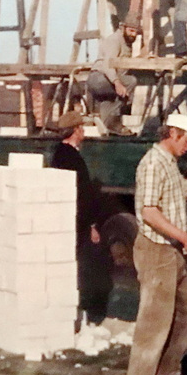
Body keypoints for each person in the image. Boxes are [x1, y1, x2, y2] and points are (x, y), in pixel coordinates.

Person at [125, 113, 187, 375]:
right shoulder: (152, 164)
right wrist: (186, 238)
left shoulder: (170, 164)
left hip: (173, 250)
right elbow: (149, 212)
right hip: (155, 248)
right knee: (154, 319)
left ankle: (166, 373)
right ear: (173, 133)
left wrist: (182, 241)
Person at [49, 110, 113, 325]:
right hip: (77, 222)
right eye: (82, 127)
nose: (84, 131)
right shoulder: (73, 158)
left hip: (66, 219)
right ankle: (84, 311)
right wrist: (92, 225)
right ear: (76, 130)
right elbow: (82, 195)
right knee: (84, 265)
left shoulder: (59, 153)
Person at [87, 19, 141, 135]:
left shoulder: (126, 43)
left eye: (136, 32)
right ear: (123, 28)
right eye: (131, 31)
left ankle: (108, 126)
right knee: (131, 81)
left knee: (111, 100)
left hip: (106, 80)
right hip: (99, 78)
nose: (133, 34)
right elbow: (107, 65)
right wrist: (117, 82)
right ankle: (113, 120)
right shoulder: (114, 40)